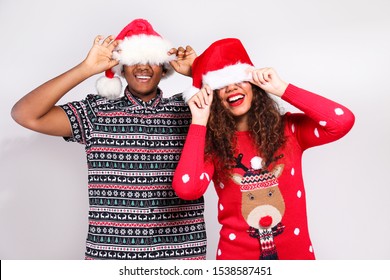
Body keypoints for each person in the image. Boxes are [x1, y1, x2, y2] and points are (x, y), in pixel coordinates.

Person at [11, 19, 207, 260]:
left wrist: (199, 72)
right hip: (110, 256)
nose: (143, 67)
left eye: (152, 60)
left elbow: (241, 108)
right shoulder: (96, 112)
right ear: (121, 68)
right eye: (133, 60)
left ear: (164, 68)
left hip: (181, 255)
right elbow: (25, 114)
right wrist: (85, 68)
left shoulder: (191, 109)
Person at [172, 38, 355, 260]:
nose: (231, 87)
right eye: (221, 85)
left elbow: (342, 121)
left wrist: (283, 89)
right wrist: (199, 121)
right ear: (213, 96)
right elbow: (187, 188)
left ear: (254, 84)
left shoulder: (289, 129)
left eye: (239, 79)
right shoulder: (213, 144)